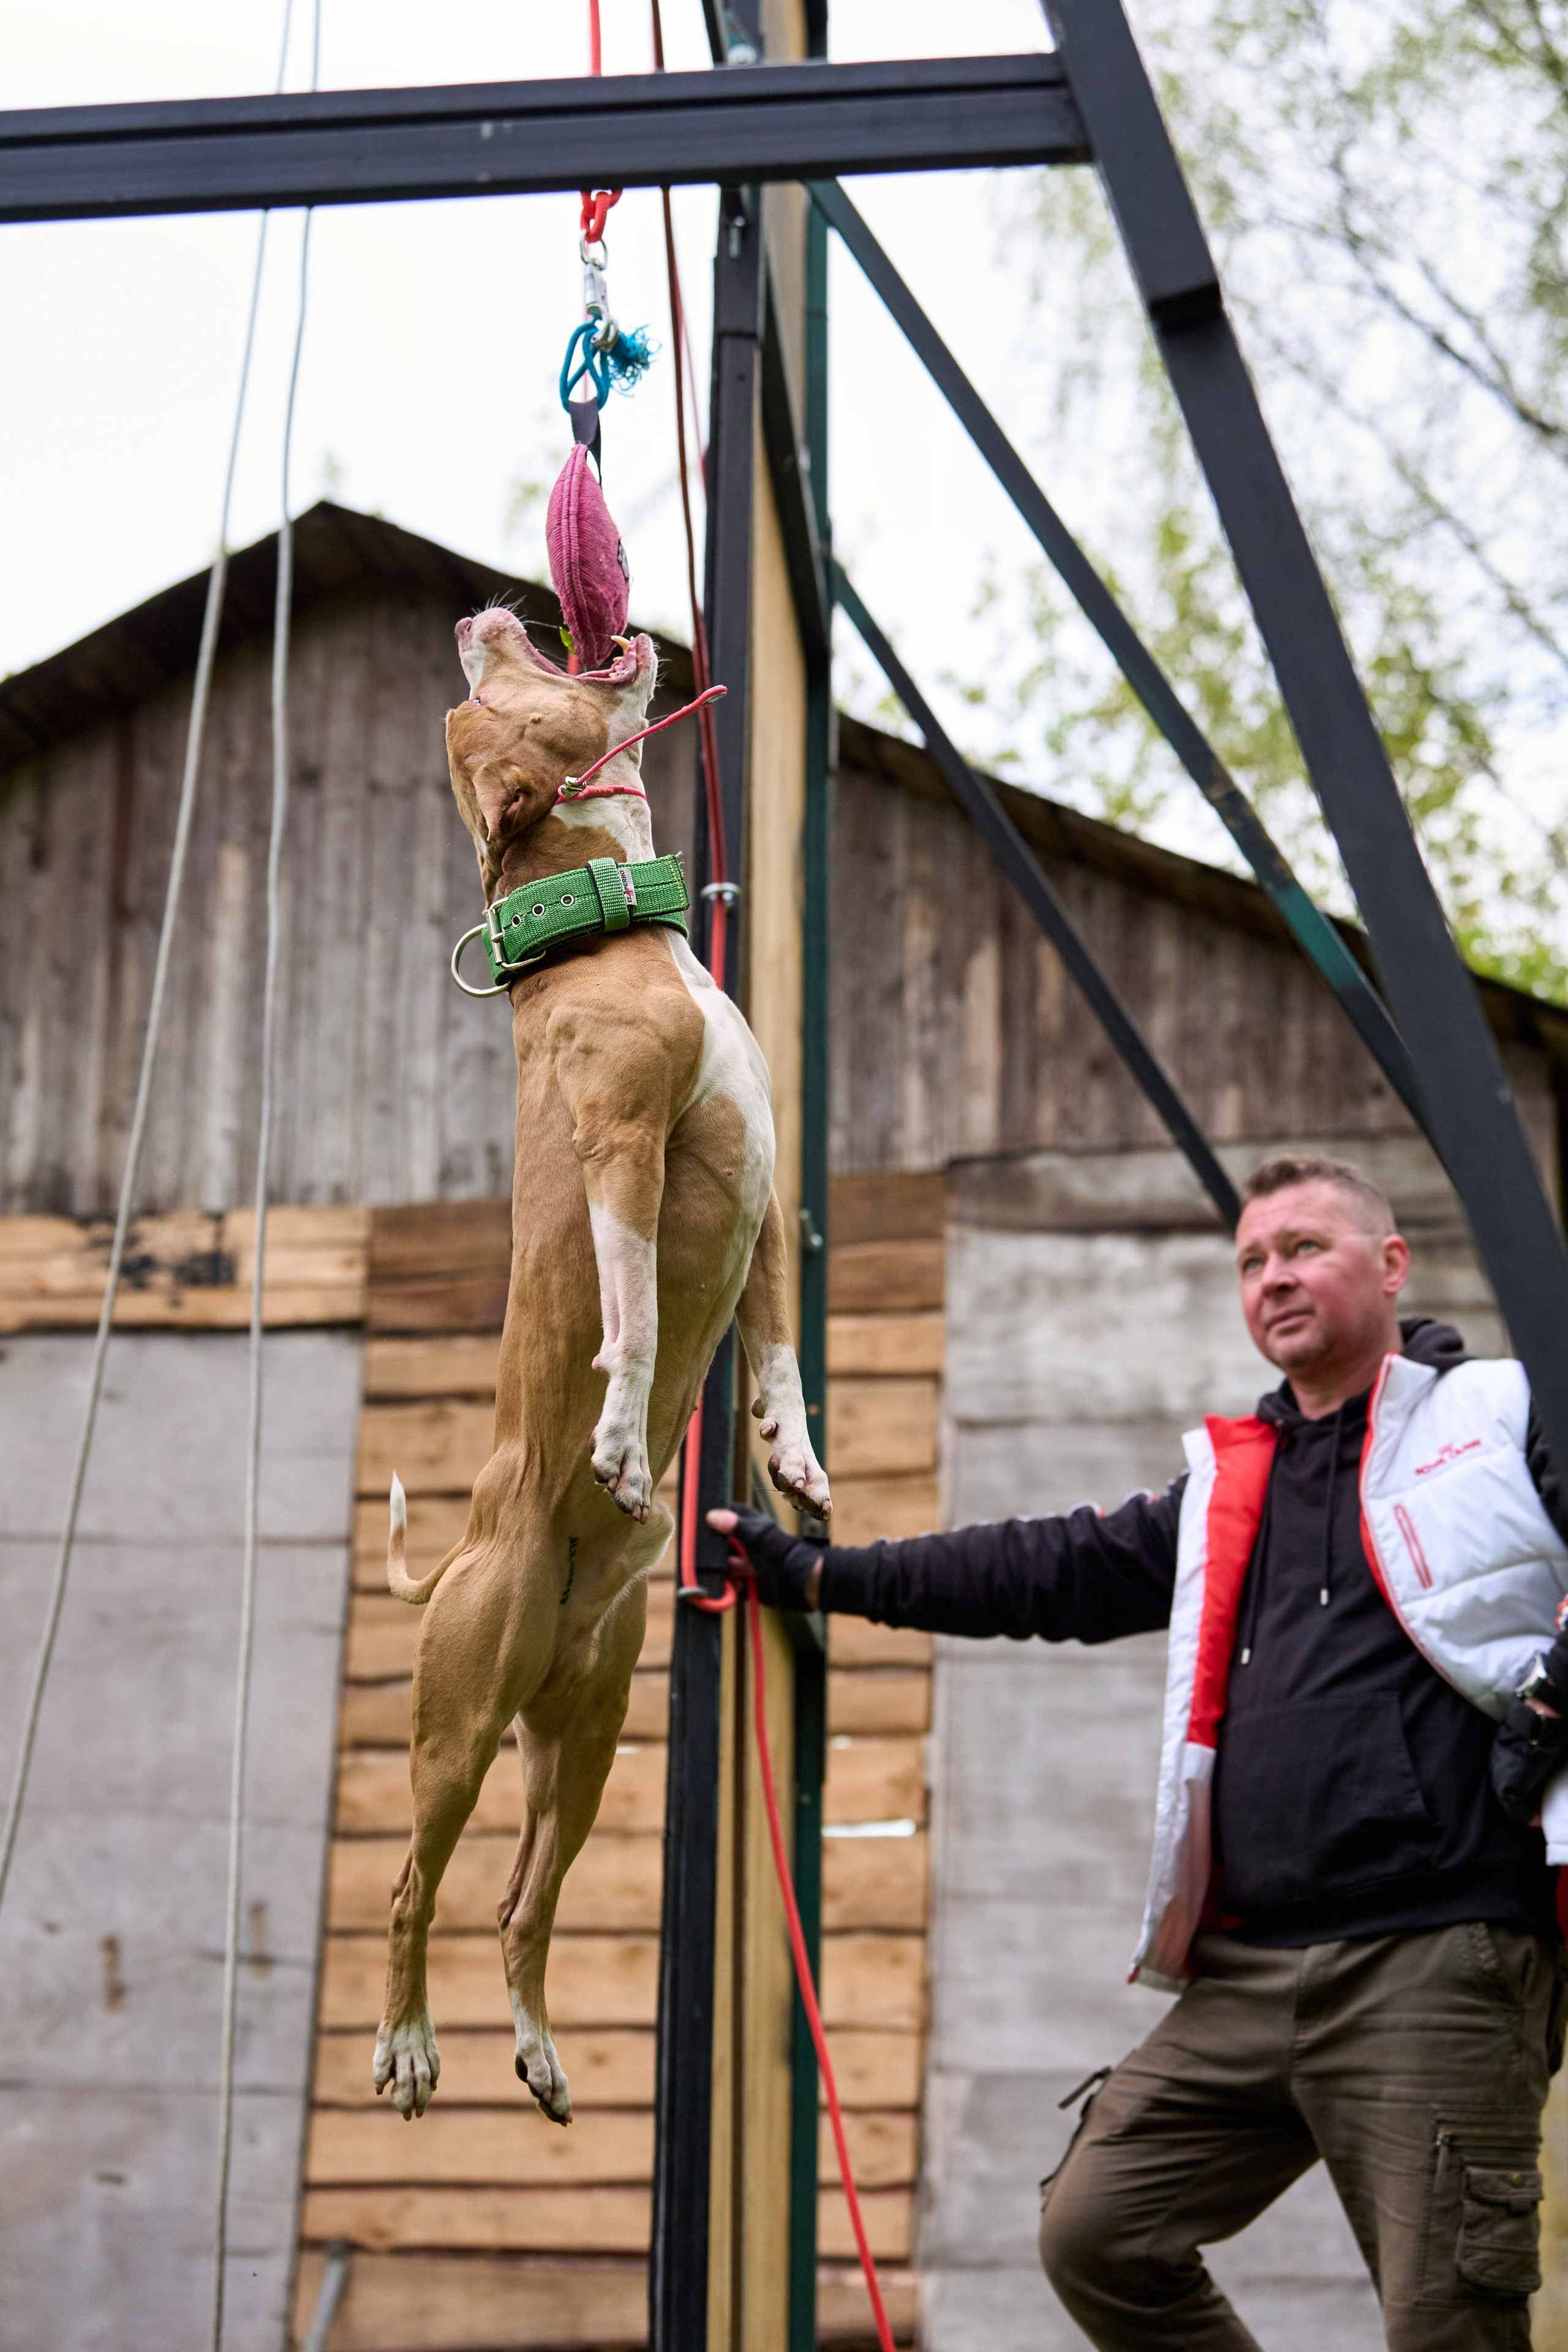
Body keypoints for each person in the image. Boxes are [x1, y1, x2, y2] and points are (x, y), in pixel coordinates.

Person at [713, 1153, 1568, 2351]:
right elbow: (1048, 1568)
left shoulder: (1501, 1408)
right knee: (1096, 2232)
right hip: (1248, 1971)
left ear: (1388, 1264)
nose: (1272, 1278)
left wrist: (1549, 1703)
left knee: (1445, 2325)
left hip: (1434, 1954)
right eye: (1251, 1261)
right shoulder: (1237, 1482)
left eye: (1303, 1249)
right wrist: (823, 1574)